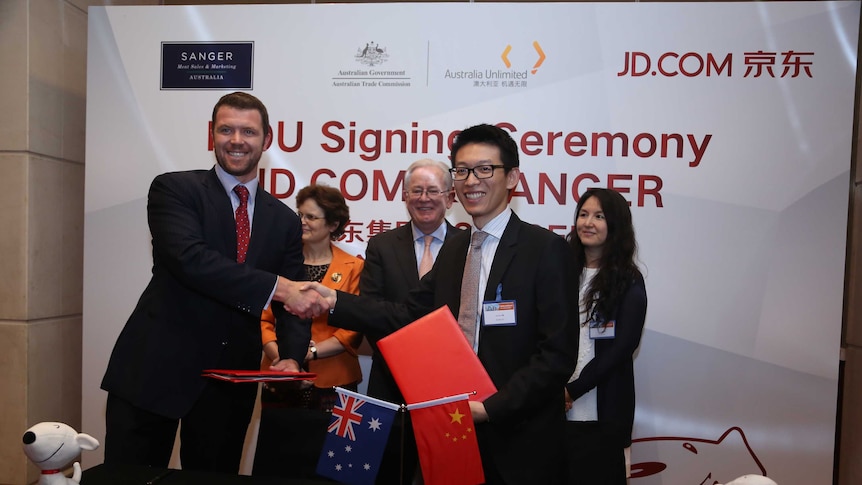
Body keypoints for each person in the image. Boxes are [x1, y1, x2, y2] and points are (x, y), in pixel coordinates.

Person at [307, 123, 578, 485]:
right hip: (451, 432)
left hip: (519, 442)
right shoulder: (455, 250)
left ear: (512, 177)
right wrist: (333, 300)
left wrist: (489, 409)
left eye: (485, 169)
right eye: (462, 171)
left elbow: (557, 355)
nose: (471, 180)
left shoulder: (545, 250)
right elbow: (404, 314)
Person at [100, 92, 319, 473]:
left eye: (248, 131)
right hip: (152, 371)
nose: (237, 140)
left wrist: (290, 357)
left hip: (228, 383)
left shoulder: (284, 220)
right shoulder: (174, 190)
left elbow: (294, 300)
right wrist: (278, 287)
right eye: (226, 129)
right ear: (211, 135)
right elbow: (192, 261)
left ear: (267, 140)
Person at [253, 184, 364, 479]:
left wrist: (305, 354)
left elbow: (352, 331)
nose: (301, 221)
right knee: (279, 466)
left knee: (333, 470)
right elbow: (264, 321)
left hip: (334, 382)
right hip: (280, 377)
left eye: (311, 217)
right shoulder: (281, 263)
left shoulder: (354, 267)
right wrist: (285, 359)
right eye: (300, 214)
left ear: (333, 224)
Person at [360, 158, 458, 484]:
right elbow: (371, 313)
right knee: (390, 474)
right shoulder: (381, 247)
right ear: (404, 196)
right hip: (389, 383)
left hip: (451, 387)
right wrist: (407, 363)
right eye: (416, 190)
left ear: (450, 197)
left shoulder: (468, 247)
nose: (424, 198)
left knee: (445, 474)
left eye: (433, 190)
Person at [564, 188, 647, 484]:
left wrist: (574, 389)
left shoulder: (629, 280)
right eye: (583, 214)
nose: (588, 222)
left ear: (616, 224)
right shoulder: (560, 270)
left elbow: (623, 346)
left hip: (601, 411)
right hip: (555, 412)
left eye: (599, 216)